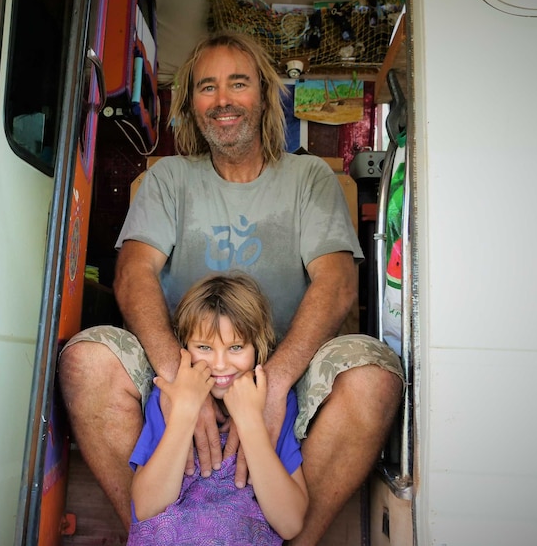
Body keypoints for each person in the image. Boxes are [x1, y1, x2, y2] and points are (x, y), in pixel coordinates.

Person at [59, 30, 404, 544]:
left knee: (376, 375)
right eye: (207, 87)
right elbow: (133, 275)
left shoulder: (308, 177)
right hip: (182, 362)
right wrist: (180, 385)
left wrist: (276, 385)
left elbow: (337, 284)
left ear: (264, 96)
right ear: (192, 103)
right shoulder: (168, 178)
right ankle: (153, 534)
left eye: (238, 84)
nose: (222, 100)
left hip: (285, 366)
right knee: (84, 359)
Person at [128, 272, 307, 544]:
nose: (220, 364)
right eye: (204, 347)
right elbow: (146, 508)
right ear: (184, 346)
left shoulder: (276, 402)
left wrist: (250, 422)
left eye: (236, 347)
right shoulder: (168, 396)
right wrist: (184, 412)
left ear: (258, 347)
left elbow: (290, 523)